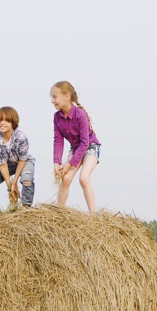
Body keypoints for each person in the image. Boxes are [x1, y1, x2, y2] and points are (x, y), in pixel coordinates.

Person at [50, 81, 101, 215]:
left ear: (67, 96)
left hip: (90, 147)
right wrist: (57, 162)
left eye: (55, 97)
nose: (52, 101)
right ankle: (58, 214)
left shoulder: (80, 114)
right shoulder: (57, 117)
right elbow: (58, 141)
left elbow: (85, 143)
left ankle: (93, 216)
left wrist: (70, 164)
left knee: (83, 178)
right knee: (65, 179)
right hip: (76, 148)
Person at [0, 106, 35, 210]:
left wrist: (14, 182)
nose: (2, 123)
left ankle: (26, 209)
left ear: (13, 122)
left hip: (24, 162)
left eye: (6, 120)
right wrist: (10, 187)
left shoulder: (21, 137)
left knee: (27, 180)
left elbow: (22, 159)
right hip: (7, 165)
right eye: (0, 120)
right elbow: (2, 163)